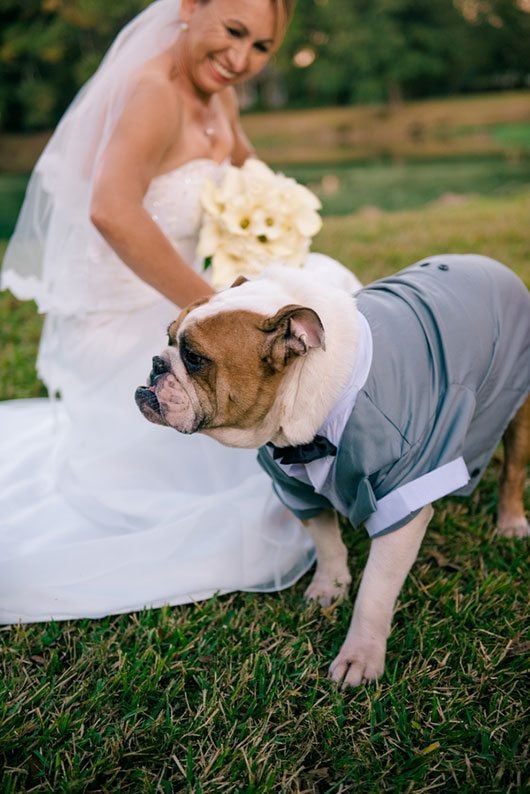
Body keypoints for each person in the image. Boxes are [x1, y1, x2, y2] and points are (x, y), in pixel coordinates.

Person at [0, 0, 361, 624]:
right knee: (238, 481)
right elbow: (111, 211)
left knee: (326, 287)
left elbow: (248, 170)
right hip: (136, 312)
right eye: (234, 32)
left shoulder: (218, 90)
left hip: (196, 296)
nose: (240, 59)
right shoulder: (151, 91)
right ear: (191, 7)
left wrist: (275, 226)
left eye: (262, 47)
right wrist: (215, 306)